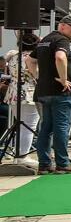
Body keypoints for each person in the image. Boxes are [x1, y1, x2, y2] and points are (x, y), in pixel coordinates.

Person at [31, 15, 71, 174]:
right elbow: (60, 57)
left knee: (46, 127)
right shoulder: (62, 40)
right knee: (61, 126)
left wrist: (38, 77)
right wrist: (63, 79)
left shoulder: (44, 40)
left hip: (44, 90)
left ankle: (44, 164)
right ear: (62, 26)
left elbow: (29, 61)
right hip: (60, 92)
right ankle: (62, 163)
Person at [5, 31, 39, 168]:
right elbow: (37, 75)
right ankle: (22, 155)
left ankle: (19, 154)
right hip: (29, 92)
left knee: (20, 125)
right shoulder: (33, 58)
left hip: (13, 92)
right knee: (29, 125)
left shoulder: (13, 57)